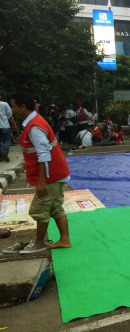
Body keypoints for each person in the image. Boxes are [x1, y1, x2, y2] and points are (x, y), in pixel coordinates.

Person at [3, 92, 71, 254]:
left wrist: (42, 182)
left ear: (23, 106)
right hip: (57, 174)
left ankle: (39, 242)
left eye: (14, 106)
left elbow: (43, 155)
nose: (12, 110)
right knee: (54, 206)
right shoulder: (35, 123)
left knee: (38, 210)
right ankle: (64, 239)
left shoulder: (34, 126)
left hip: (51, 177)